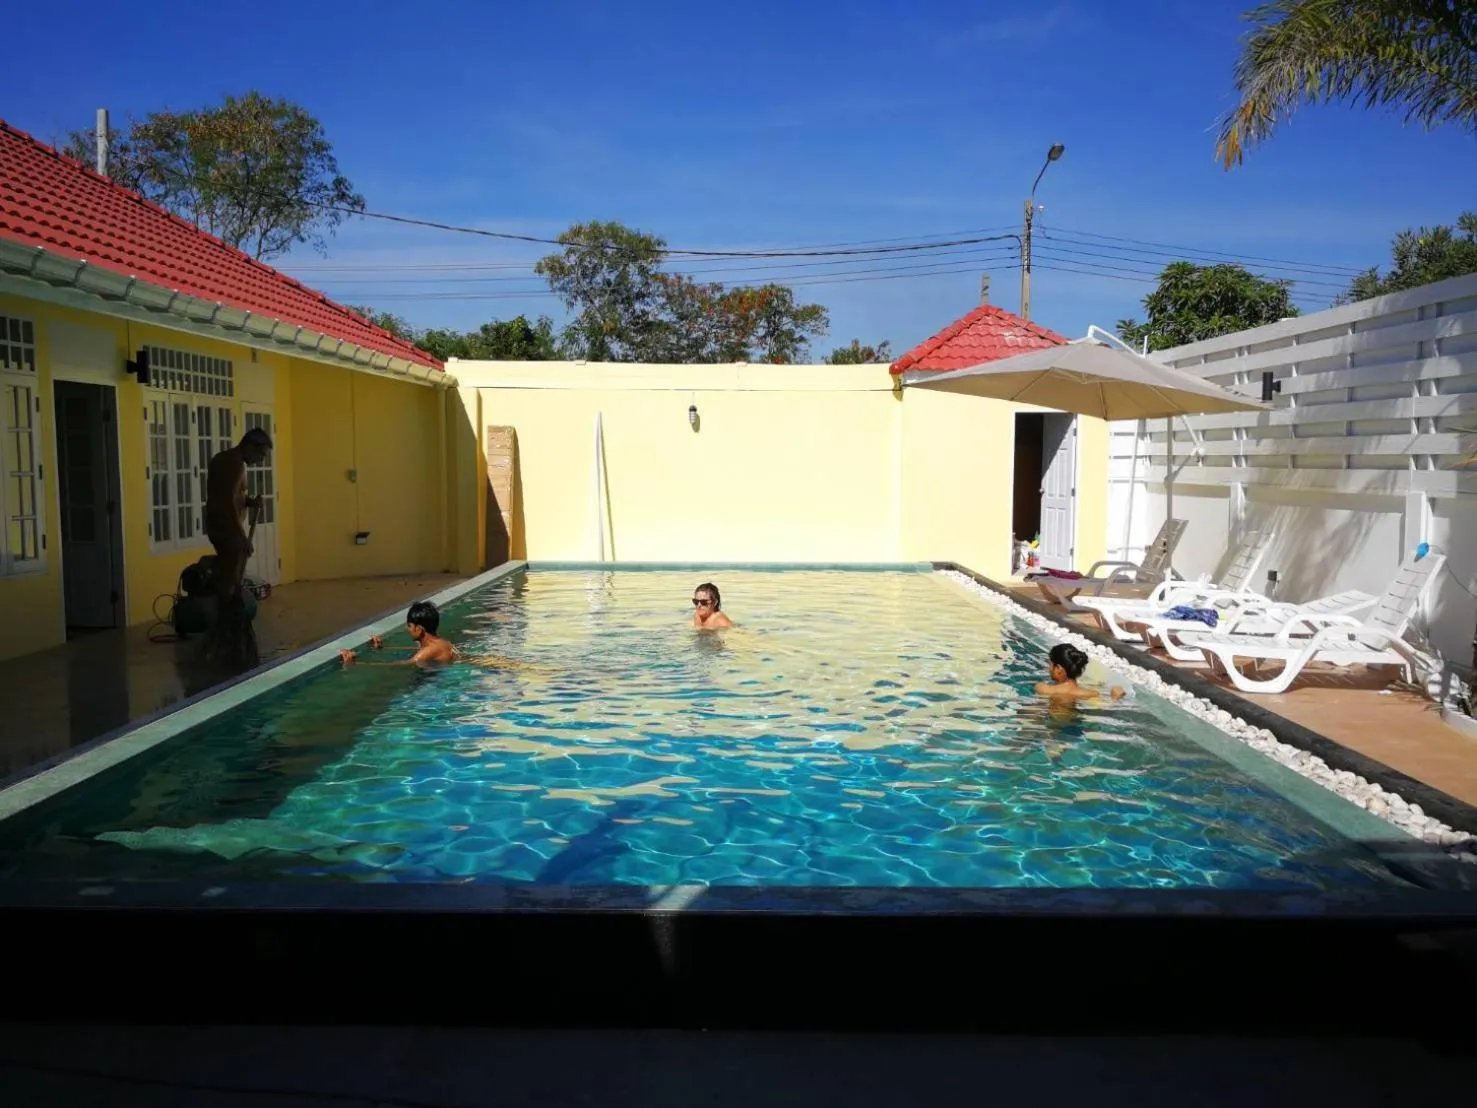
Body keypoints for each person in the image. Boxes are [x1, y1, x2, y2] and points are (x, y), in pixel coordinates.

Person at [204, 427, 272, 608]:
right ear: (250, 446)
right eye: (261, 454)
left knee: (231, 573)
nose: (261, 460)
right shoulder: (233, 464)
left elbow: (230, 496)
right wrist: (241, 538)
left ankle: (227, 610)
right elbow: (226, 502)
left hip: (223, 526)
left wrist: (249, 501)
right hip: (226, 528)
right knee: (231, 578)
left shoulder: (227, 460)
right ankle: (227, 616)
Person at [340, 601, 458, 667]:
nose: (408, 629)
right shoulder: (443, 643)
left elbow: (402, 665)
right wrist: (382, 648)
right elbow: (418, 650)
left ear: (419, 629)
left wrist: (354, 662)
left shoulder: (427, 652)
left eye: (409, 626)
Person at [1035, 643, 1126, 702]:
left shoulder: (1042, 688)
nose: (1049, 669)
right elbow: (1109, 702)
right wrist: (1115, 696)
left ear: (1058, 668)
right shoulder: (1091, 694)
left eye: (1050, 664)